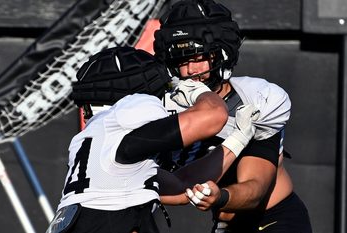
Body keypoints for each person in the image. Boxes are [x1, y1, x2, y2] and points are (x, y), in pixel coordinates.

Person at [45, 46, 260, 233]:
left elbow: (182, 188)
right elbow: (214, 116)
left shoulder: (92, 141)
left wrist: (237, 140)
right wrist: (194, 90)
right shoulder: (129, 110)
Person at [153, 0, 312, 232]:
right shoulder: (160, 108)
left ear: (222, 53)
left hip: (272, 220)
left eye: (199, 57)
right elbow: (162, 187)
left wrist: (220, 197)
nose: (191, 70)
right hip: (225, 225)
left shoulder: (253, 102)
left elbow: (255, 189)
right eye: (182, 60)